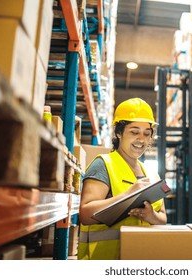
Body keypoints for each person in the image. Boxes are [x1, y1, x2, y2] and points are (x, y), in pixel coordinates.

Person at [77, 98, 167, 260]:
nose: (141, 139)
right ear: (119, 133)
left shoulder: (152, 174)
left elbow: (163, 217)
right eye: (134, 132)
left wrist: (151, 215)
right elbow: (85, 214)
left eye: (147, 134)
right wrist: (127, 195)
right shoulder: (103, 164)